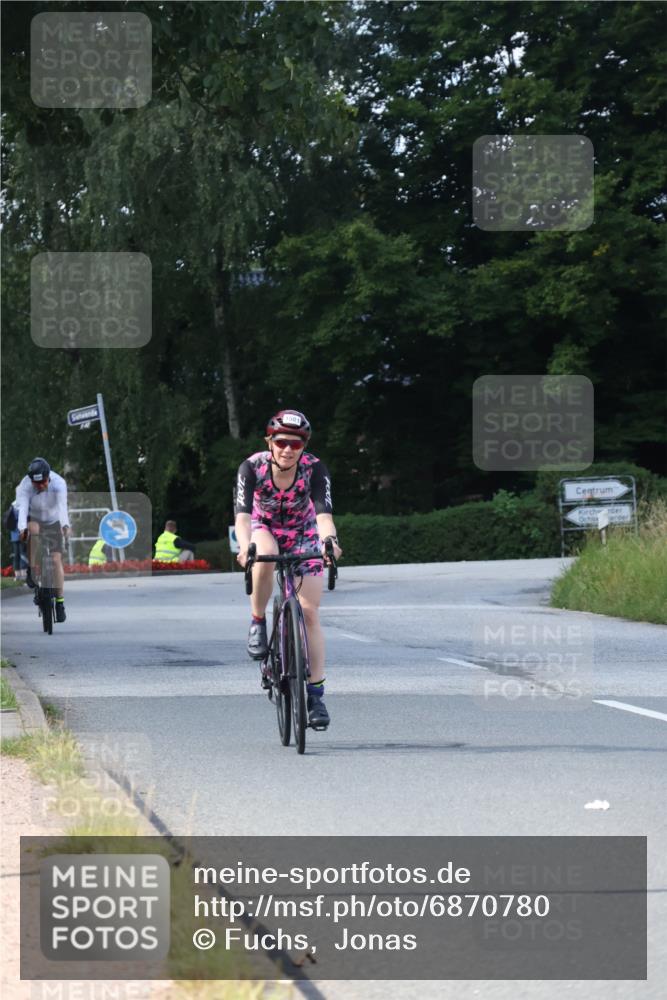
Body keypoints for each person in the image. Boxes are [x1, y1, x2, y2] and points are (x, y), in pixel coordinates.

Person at [234, 409, 342, 729]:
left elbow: (323, 513)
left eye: (296, 444)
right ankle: (257, 621)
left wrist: (329, 542)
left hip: (303, 530)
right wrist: (244, 547)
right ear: (270, 441)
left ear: (303, 447)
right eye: (281, 442)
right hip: (263, 527)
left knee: (309, 612)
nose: (287, 449)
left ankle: (316, 696)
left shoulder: (315, 469)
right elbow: (242, 515)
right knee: (263, 552)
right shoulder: (251, 467)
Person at [15, 458, 70, 622]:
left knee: (56, 559)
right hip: (35, 519)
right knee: (33, 530)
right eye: (36, 484)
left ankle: (60, 603)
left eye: (43, 482)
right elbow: (23, 508)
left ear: (48, 477)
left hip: (54, 521)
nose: (40, 486)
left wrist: (65, 525)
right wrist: (22, 529)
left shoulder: (59, 483)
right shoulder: (24, 486)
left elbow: (62, 506)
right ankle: (31, 569)